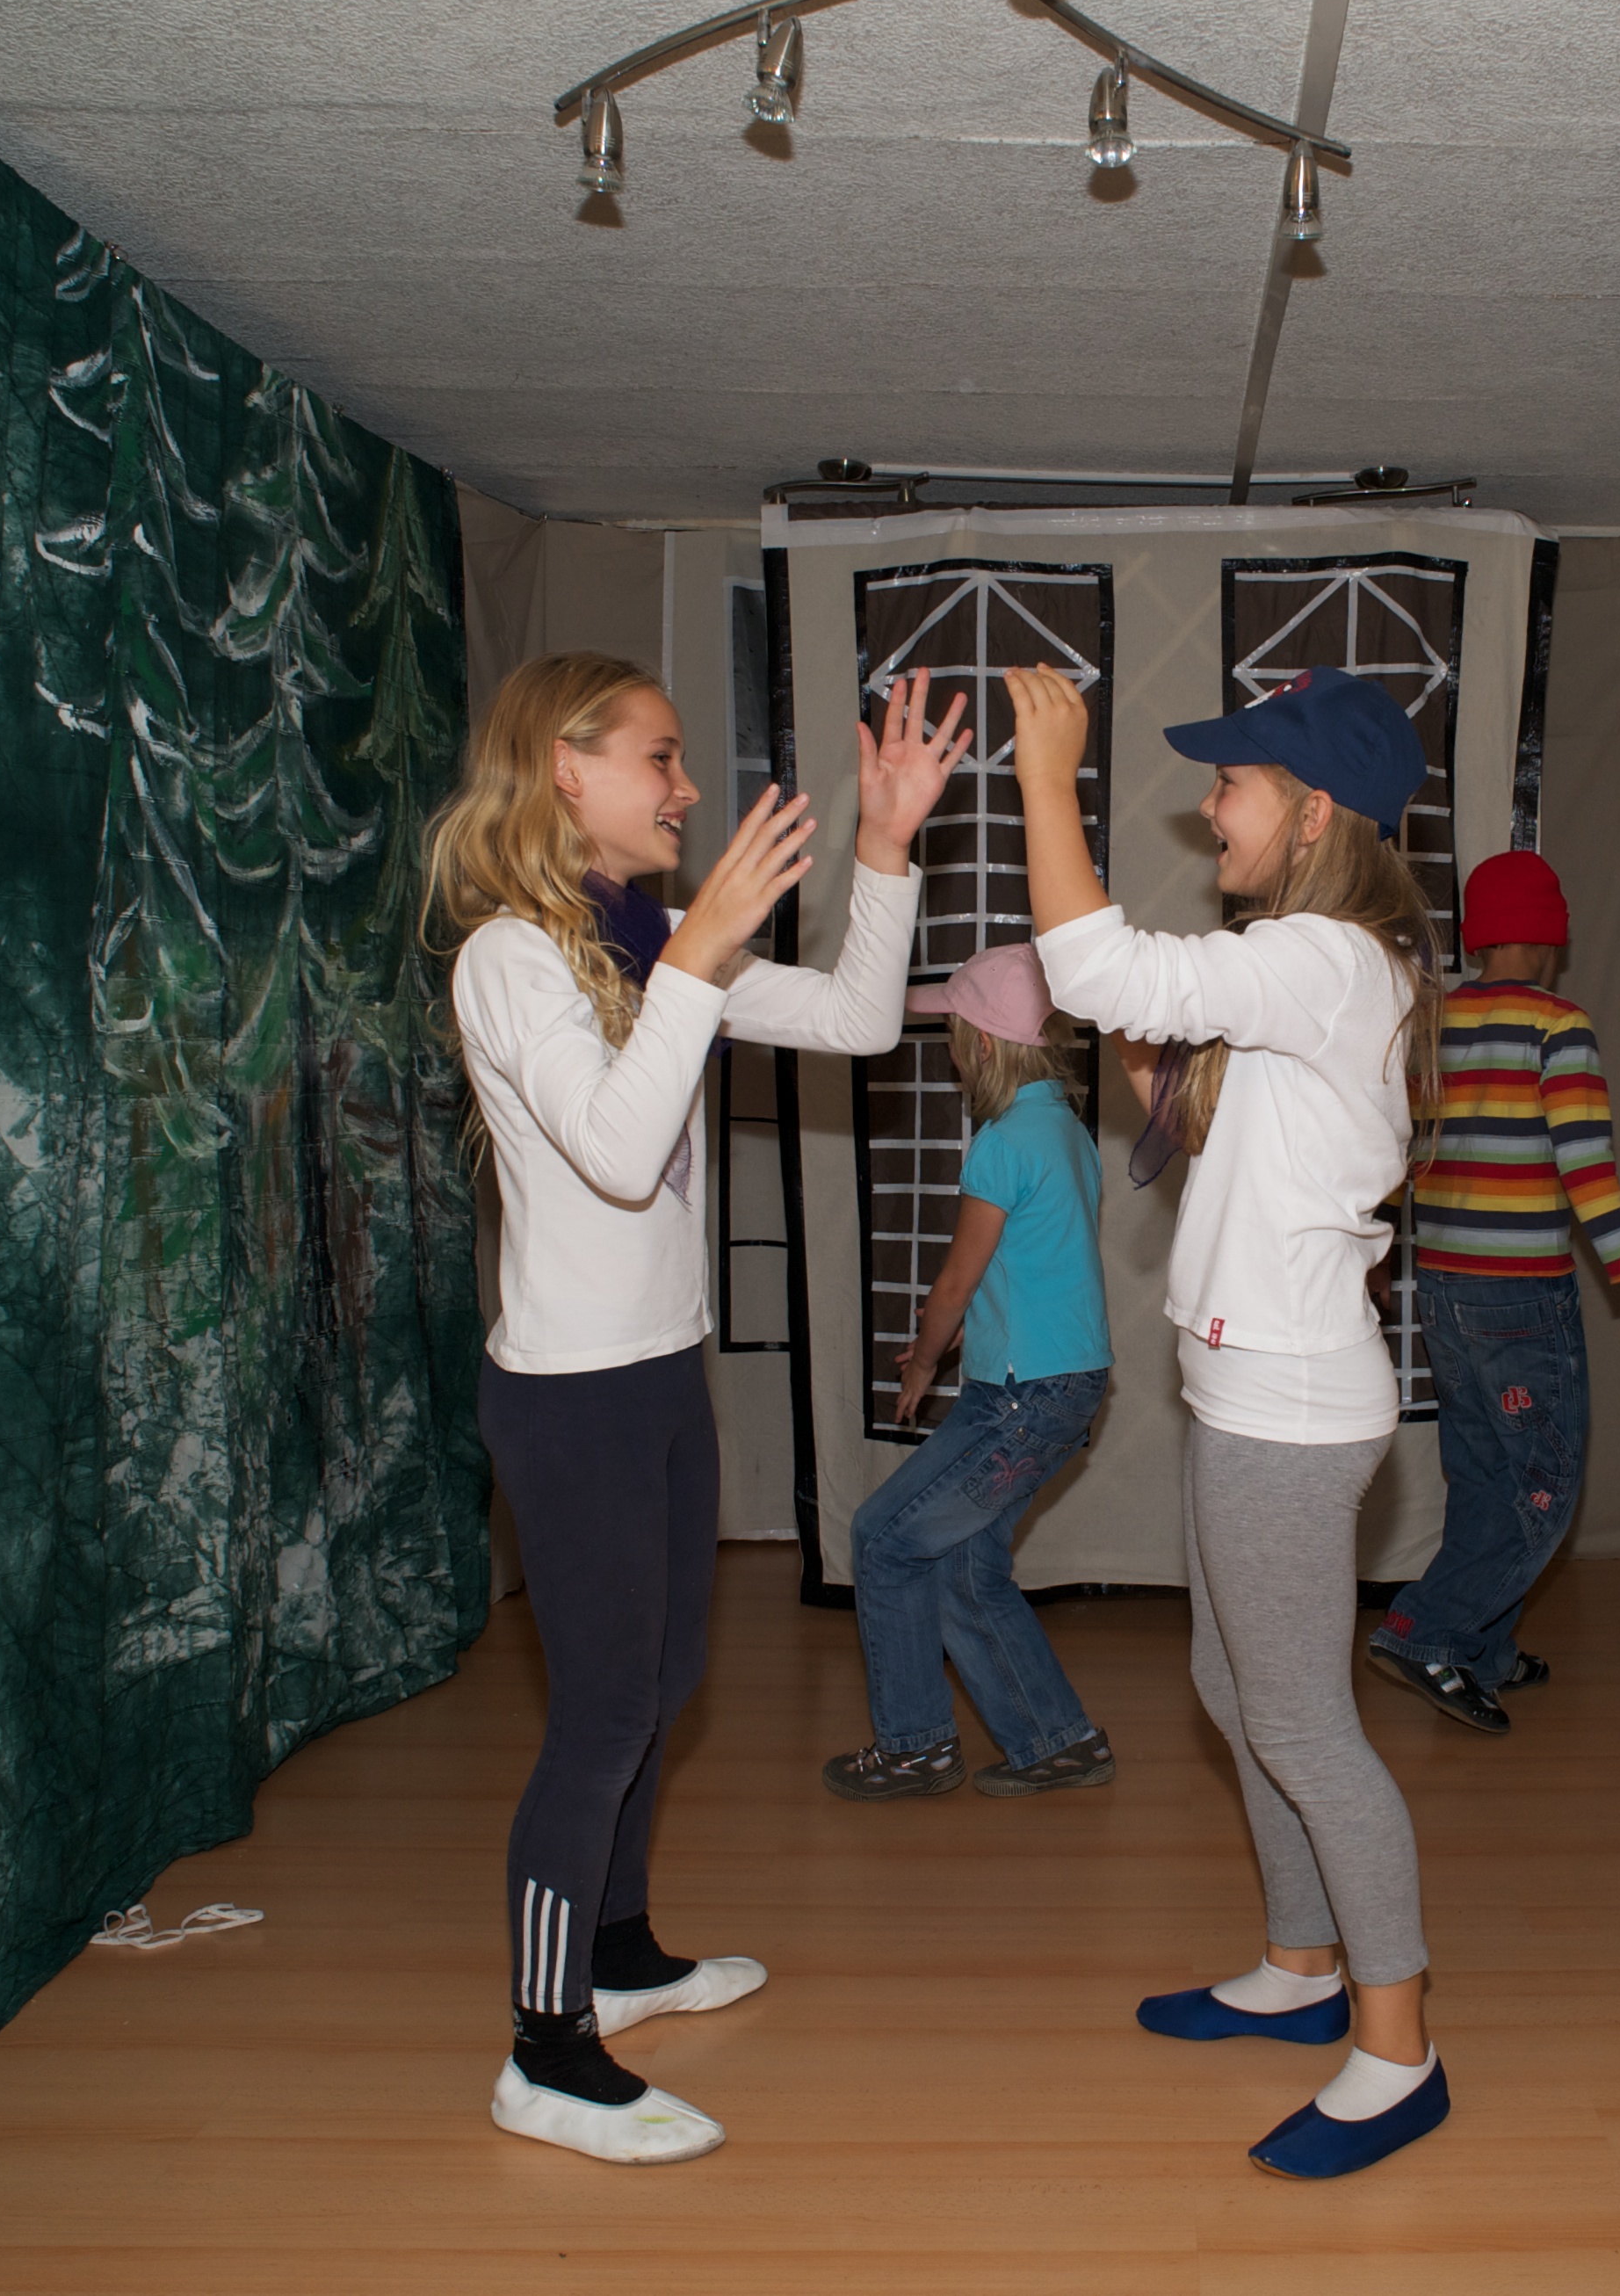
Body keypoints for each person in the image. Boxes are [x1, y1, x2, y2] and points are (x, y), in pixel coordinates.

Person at [428, 651, 965, 2166]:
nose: (683, 788)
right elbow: (613, 1146)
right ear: (564, 771)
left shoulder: (651, 935)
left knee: (660, 1683)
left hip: (661, 1363)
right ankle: (543, 2048)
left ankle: (617, 1949)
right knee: (600, 1708)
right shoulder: (511, 958)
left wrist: (883, 846)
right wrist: (696, 962)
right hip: (571, 1396)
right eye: (657, 759)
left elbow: (862, 1022)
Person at [1013, 660, 1455, 2181]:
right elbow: (1211, 1128)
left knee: (1304, 1724)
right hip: (1242, 1386)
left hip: (1288, 1405)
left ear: (1316, 808)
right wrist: (1162, 1079)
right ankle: (1301, 1961)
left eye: (1232, 786)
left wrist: (1048, 779)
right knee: (1231, 1681)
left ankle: (1398, 2051)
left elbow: (1095, 965)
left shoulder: (1331, 954)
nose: (1210, 811)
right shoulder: (1312, 963)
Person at [1368, 848, 1620, 1733]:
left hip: (1446, 1290)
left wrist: (1368, 1255)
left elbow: (1402, 1159)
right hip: (1520, 1299)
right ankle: (1423, 1628)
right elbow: (1586, 1171)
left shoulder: (1429, 1024)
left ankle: (1483, 1649)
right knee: (1542, 1486)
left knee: (1480, 1471)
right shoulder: (1558, 1026)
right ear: (1551, 939)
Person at [821, 943, 1117, 1801]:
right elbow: (1030, 1269)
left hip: (1022, 1397)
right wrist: (954, 1346)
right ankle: (1054, 1740)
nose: (949, 1048)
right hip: (1060, 1383)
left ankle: (914, 1746)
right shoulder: (1064, 1129)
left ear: (982, 1044)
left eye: (952, 1033)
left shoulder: (999, 1142)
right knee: (959, 1560)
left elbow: (956, 1276)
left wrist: (921, 1356)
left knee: (882, 1537)